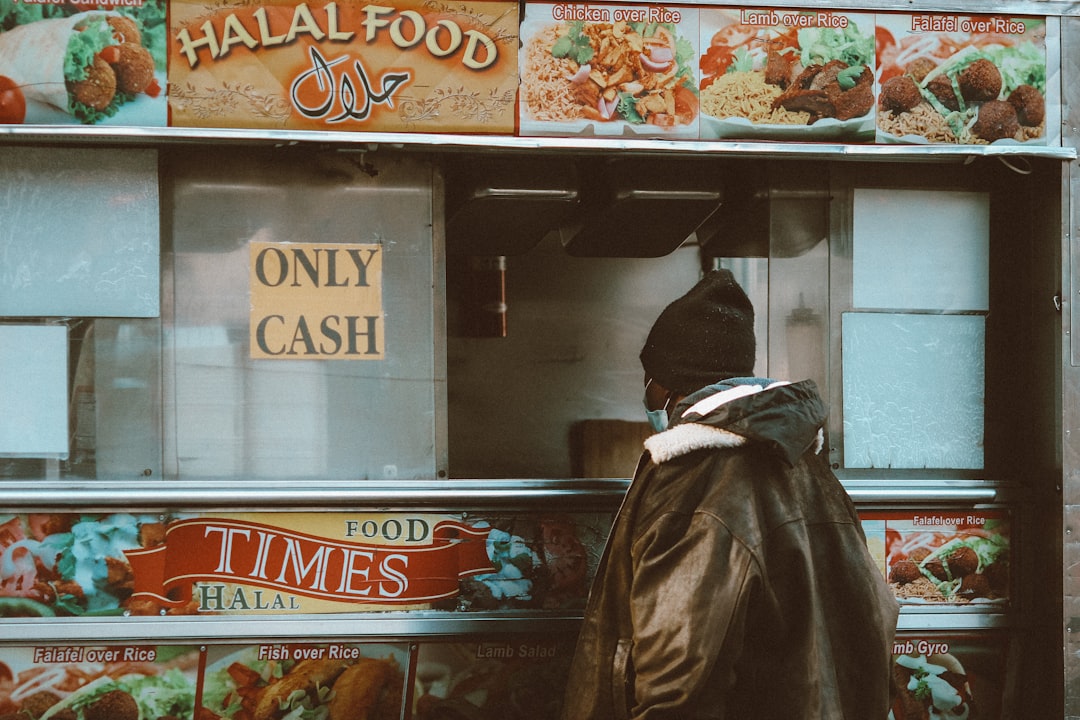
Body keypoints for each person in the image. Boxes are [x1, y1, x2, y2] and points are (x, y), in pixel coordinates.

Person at [560, 269, 899, 720]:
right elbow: (877, 611)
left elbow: (680, 676)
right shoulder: (808, 465)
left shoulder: (696, 477)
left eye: (650, 377)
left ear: (665, 382)